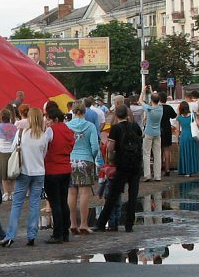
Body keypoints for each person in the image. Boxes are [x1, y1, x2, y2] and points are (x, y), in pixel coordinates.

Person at [1, 106, 51, 246]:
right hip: (39, 172)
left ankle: (10, 235)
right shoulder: (43, 136)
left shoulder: (21, 133)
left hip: (23, 171)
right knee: (34, 204)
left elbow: (13, 149)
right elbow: (44, 154)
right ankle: (32, 234)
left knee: (17, 204)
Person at [95, 104, 142, 232]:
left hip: (122, 164)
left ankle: (101, 223)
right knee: (133, 194)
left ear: (116, 115)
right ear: (127, 115)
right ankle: (129, 224)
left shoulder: (115, 129)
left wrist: (111, 158)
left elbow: (110, 148)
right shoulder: (135, 127)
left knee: (113, 195)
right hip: (136, 164)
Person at [42, 104, 76, 242]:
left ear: (55, 119)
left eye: (49, 119)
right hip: (66, 169)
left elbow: (44, 148)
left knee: (55, 202)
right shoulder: (68, 130)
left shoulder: (51, 130)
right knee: (63, 201)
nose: (47, 122)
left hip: (52, 169)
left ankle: (57, 234)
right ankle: (65, 232)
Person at [67, 100, 101, 234]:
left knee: (71, 192)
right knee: (84, 193)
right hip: (86, 159)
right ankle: (84, 223)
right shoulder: (90, 126)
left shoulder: (68, 126)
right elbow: (95, 146)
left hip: (70, 160)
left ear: (73, 111)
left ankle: (72, 223)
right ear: (85, 111)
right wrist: (93, 158)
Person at [138, 86, 164, 181]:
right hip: (157, 133)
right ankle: (158, 175)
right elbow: (157, 101)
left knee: (147, 154)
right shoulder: (160, 108)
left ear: (151, 100)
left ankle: (147, 175)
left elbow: (140, 101)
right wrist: (152, 91)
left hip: (148, 132)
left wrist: (143, 91)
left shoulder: (149, 109)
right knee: (157, 154)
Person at [173, 101, 199, 178]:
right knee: (192, 153)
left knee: (185, 153)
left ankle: (186, 170)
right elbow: (198, 124)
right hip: (192, 136)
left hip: (183, 136)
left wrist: (176, 140)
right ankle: (192, 169)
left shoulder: (179, 117)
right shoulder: (193, 115)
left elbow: (178, 130)